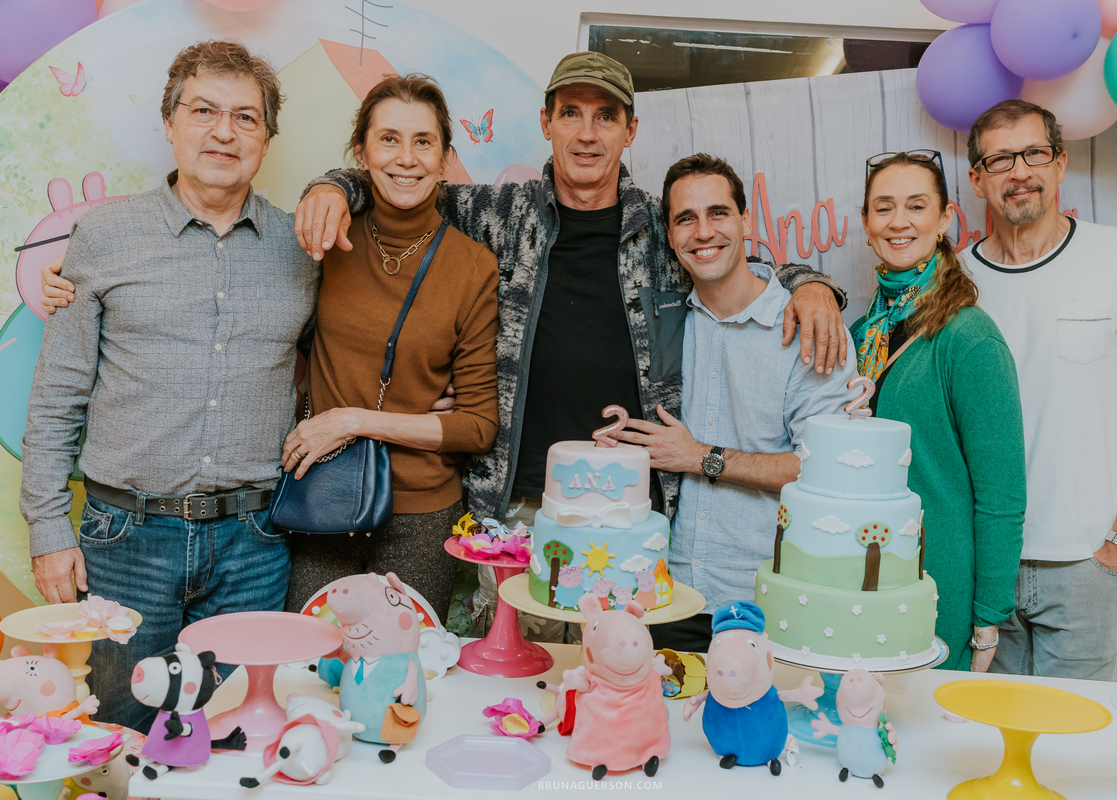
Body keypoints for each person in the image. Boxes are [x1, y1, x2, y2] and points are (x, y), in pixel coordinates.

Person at [290, 52, 851, 640]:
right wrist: (332, 186)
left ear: (630, 129)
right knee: (514, 690)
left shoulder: (664, 229)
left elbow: (735, 262)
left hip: (631, 517)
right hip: (514, 509)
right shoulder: (494, 214)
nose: (587, 133)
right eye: (571, 113)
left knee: (612, 683)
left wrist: (808, 284)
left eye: (605, 116)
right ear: (545, 122)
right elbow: (402, 182)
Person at [20, 40, 318, 732]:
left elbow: (346, 358)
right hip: (124, 541)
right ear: (170, 122)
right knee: (122, 737)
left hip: (255, 541)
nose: (224, 131)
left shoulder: (302, 249)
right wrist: (46, 527)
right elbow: (58, 392)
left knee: (240, 735)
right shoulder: (102, 236)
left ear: (267, 137)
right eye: (204, 110)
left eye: (246, 118)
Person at [962, 100, 1117, 680]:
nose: (1020, 171)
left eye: (1034, 153)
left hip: (1088, 563)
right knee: (985, 736)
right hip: (983, 563)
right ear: (977, 179)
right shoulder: (953, 284)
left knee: (1079, 746)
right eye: (1001, 159)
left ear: (1060, 163)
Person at [614, 154, 859, 653]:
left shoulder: (810, 328)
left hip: (769, 597)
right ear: (670, 234)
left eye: (718, 213)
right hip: (666, 593)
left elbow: (826, 471)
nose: (703, 232)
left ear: (746, 221)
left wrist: (700, 456)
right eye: (686, 218)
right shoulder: (661, 322)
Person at [280, 74, 499, 621]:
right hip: (322, 495)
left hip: (422, 514)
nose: (407, 158)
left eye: (424, 142)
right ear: (361, 153)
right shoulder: (325, 239)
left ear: (445, 157)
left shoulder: (473, 266)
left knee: (406, 682)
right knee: (309, 673)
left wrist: (353, 419)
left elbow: (476, 426)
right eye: (389, 139)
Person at [851, 150, 1025, 672]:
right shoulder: (864, 334)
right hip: (861, 572)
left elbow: (1000, 494)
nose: (898, 221)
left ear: (945, 218)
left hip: (937, 585)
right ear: (865, 223)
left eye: (916, 205)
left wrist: (987, 616)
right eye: (883, 208)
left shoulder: (967, 336)